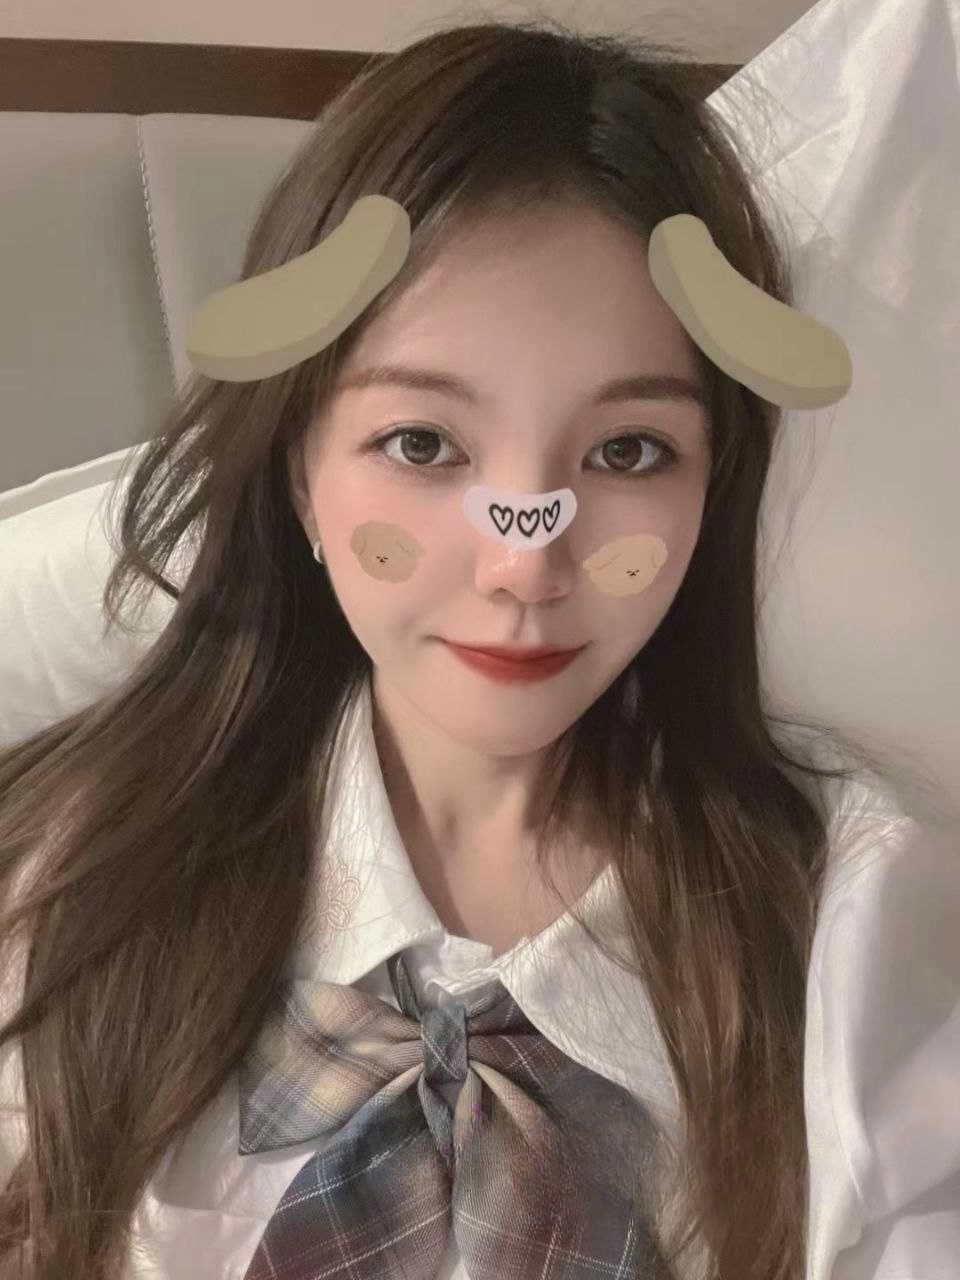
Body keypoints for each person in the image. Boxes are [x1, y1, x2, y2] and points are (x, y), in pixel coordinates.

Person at [0, 15, 891, 1280]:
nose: (526, 562)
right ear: (300, 475)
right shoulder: (63, 879)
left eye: (628, 450)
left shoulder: (846, 922)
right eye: (422, 444)